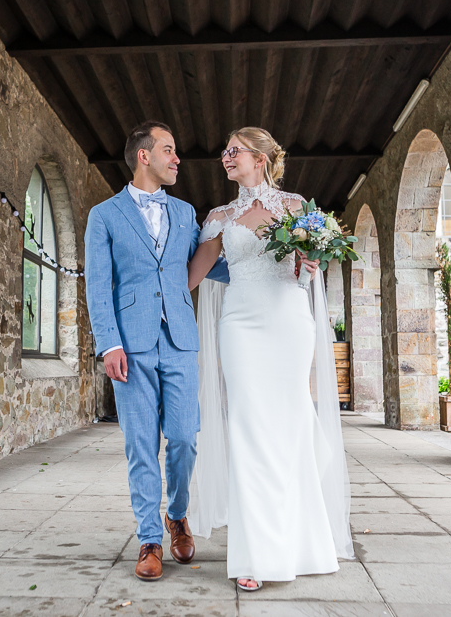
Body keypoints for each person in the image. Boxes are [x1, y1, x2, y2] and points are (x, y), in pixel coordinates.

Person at [186, 127, 353, 591]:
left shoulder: (298, 208)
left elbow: (308, 267)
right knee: (248, 427)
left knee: (292, 424)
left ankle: (302, 544)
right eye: (225, 151)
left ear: (260, 158)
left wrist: (313, 264)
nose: (225, 156)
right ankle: (254, 554)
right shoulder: (219, 216)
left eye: (234, 150)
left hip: (288, 324)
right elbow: (192, 277)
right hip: (240, 326)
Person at [84, 121, 228, 581]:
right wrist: (108, 342)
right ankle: (149, 538)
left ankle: (177, 514)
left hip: (181, 340)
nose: (177, 158)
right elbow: (97, 285)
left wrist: (273, 260)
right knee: (140, 443)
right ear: (144, 156)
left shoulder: (187, 213)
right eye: (169, 150)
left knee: (185, 436)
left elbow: (207, 265)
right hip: (131, 343)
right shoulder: (104, 215)